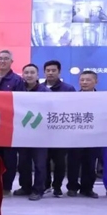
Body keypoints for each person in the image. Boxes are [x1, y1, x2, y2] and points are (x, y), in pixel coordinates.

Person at [0, 50, 24, 196]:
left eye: (6, 59)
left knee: (9, 159)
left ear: (11, 62)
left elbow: (21, 102)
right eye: (0, 58)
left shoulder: (17, 81)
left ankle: (6, 187)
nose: (2, 61)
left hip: (10, 126)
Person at [13, 64, 49, 201]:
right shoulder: (18, 89)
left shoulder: (45, 91)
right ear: (22, 75)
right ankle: (25, 187)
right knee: (23, 162)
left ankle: (38, 190)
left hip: (40, 133)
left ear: (38, 75)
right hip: (23, 132)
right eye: (26, 72)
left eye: (32, 72)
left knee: (39, 163)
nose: (29, 75)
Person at [43, 60, 75, 197]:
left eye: (53, 70)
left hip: (61, 132)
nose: (50, 73)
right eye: (48, 70)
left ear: (59, 72)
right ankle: (45, 185)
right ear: (44, 72)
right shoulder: (39, 88)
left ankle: (57, 187)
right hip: (42, 132)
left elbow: (73, 108)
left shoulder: (68, 89)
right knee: (43, 161)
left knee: (60, 162)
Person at [66, 70, 100, 199]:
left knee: (90, 163)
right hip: (75, 136)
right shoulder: (72, 98)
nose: (84, 82)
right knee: (73, 163)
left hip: (94, 136)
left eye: (88, 80)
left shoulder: (102, 98)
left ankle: (87, 188)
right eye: (82, 80)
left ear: (96, 82)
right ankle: (72, 187)